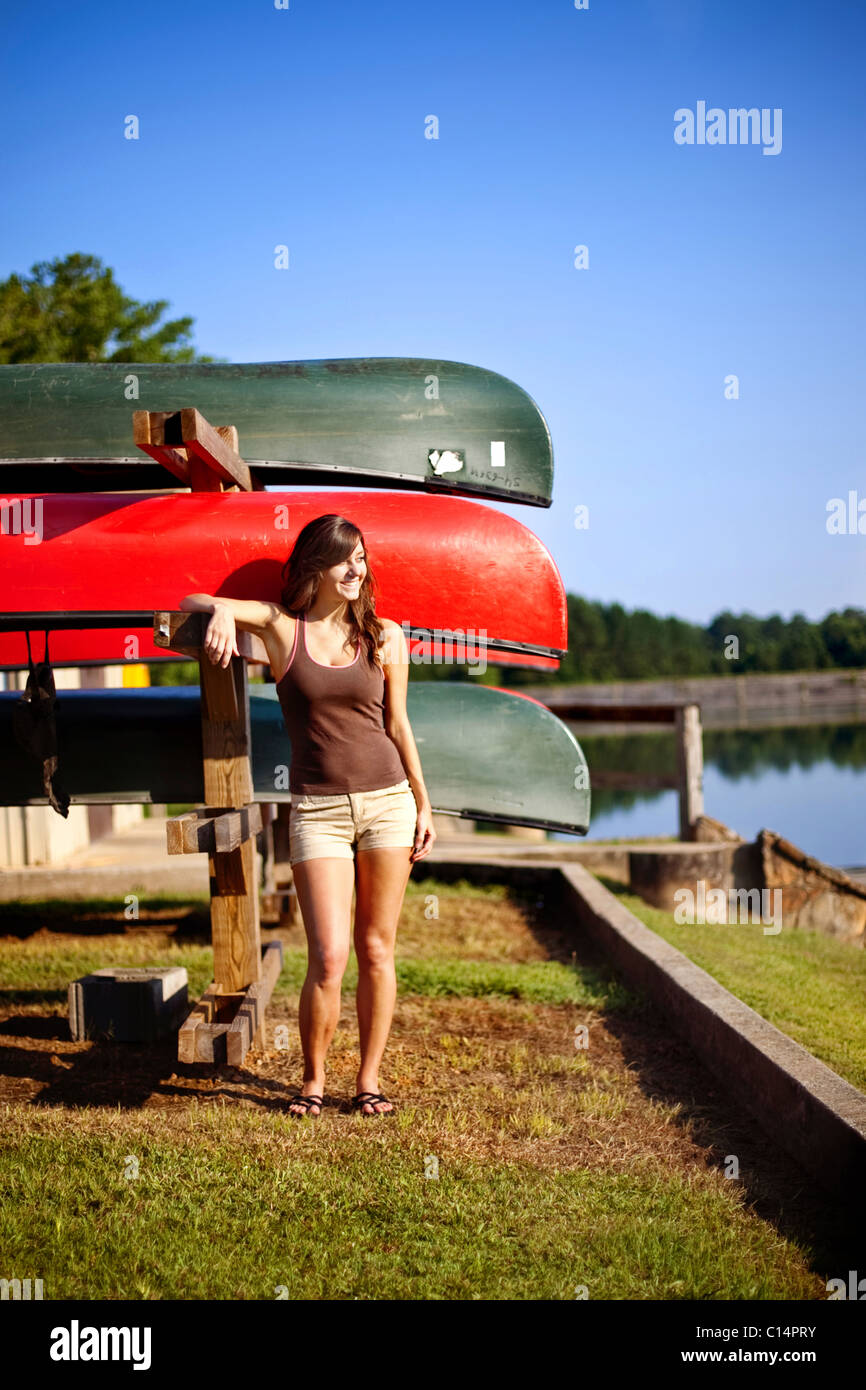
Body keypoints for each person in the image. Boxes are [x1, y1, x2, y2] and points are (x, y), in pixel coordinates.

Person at [179, 513, 436, 1118]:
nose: (357, 570)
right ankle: (313, 1082)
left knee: (377, 950)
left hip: (389, 803)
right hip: (317, 810)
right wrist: (218, 611)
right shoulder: (279, 628)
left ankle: (368, 1080)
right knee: (327, 957)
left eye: (362, 559)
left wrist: (424, 801)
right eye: (345, 559)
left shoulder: (385, 636)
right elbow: (191, 598)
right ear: (316, 567)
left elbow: (398, 724)